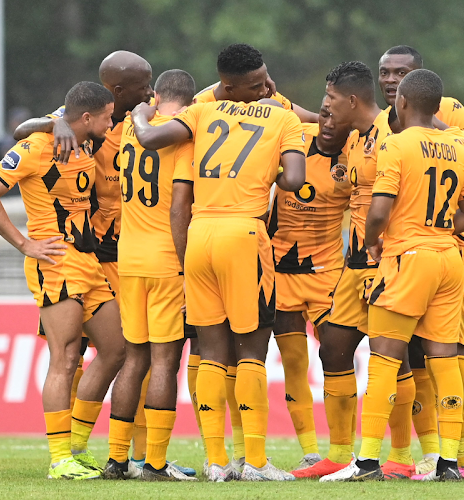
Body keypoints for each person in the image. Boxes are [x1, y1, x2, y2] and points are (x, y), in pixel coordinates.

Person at [135, 43, 306, 482]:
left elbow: (150, 137)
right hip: (244, 235)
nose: (266, 85)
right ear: (236, 85)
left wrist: (140, 113)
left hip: (199, 237)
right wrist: (268, 169)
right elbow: (294, 179)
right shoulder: (284, 118)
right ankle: (254, 461)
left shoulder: (201, 113)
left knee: (210, 352)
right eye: (259, 81)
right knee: (251, 351)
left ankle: (215, 461)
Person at [13, 51, 180, 472]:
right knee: (70, 357)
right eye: (144, 85)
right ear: (117, 91)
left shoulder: (144, 119)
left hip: (124, 255)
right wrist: (59, 122)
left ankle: (131, 454)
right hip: (84, 253)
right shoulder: (85, 119)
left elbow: (189, 102)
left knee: (128, 354)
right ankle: (63, 453)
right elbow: (23, 130)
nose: (151, 92)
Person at [321, 69, 464, 482]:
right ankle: (449, 463)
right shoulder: (459, 144)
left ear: (403, 103)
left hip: (406, 257)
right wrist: (439, 232)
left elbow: (378, 211)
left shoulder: (396, 144)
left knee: (384, 356)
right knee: (444, 358)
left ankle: (368, 461)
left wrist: (374, 240)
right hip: (449, 259)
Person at [0, 81, 124, 480]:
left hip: (88, 261)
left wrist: (56, 121)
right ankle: (60, 459)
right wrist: (24, 243)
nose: (112, 123)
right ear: (88, 117)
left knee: (116, 348)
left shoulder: (83, 138)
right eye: (107, 117)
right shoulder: (36, 147)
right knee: (66, 357)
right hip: (54, 262)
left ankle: (75, 447)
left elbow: (58, 115)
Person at [378, 44, 464, 478]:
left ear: (418, 78)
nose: (390, 80)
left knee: (455, 354)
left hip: (455, 251)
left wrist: (427, 126)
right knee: (420, 357)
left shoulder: (451, 113)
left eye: (400, 73)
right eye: (385, 72)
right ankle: (439, 452)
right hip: (405, 254)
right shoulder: (383, 124)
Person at [294, 61, 397, 480]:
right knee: (333, 346)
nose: (326, 107)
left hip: (386, 259)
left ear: (352, 100)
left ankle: (401, 457)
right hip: (354, 263)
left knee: (393, 358)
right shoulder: (356, 137)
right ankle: (339, 452)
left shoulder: (392, 134)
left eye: (332, 99)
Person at [102, 69, 198, 482]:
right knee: (164, 362)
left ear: (156, 95)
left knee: (134, 360)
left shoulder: (129, 127)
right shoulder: (184, 138)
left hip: (129, 260)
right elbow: (179, 207)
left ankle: (117, 459)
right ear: (191, 105)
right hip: (165, 261)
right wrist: (184, 264)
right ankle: (155, 463)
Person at [267, 100, 352, 470]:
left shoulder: (357, 155)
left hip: (328, 274)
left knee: (334, 353)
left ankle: (343, 450)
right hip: (280, 270)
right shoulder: (295, 137)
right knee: (294, 362)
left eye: (336, 117)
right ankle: (310, 450)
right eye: (324, 114)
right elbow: (269, 103)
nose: (328, 123)